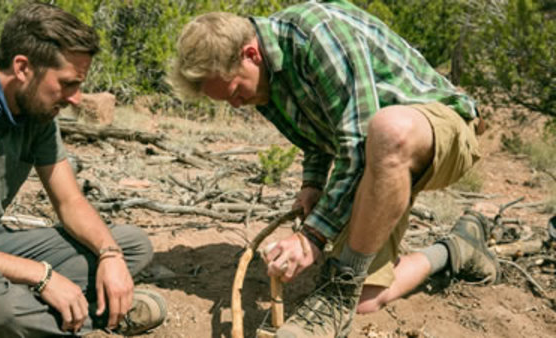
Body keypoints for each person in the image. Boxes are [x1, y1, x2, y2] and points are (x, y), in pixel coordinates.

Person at [169, 1, 500, 337]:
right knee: (367, 299)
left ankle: (340, 292)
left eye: (236, 93)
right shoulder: (263, 80)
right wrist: (312, 183)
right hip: (379, 162)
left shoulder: (315, 34)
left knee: (388, 129)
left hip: (441, 130)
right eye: (227, 101)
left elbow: (357, 142)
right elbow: (320, 135)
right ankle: (458, 248)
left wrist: (312, 236)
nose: (237, 105)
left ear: (251, 54)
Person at [0, 3, 166, 337]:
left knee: (130, 245)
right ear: (23, 67)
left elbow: (70, 201)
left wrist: (110, 255)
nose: (77, 99)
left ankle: (28, 314)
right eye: (67, 83)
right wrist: (41, 276)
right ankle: (90, 319)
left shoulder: (37, 110)